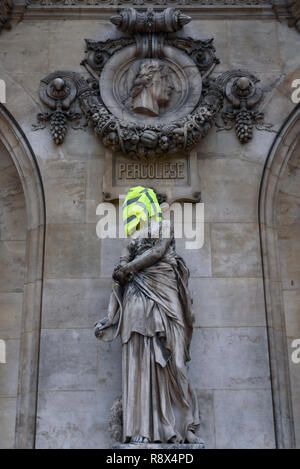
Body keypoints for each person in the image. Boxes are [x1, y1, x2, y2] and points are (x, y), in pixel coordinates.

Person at [94, 186, 201, 444]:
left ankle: (186, 427)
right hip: (135, 303)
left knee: (176, 364)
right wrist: (110, 317)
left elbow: (156, 253)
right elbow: (117, 281)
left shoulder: (164, 226)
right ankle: (139, 430)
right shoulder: (130, 241)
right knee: (138, 362)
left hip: (166, 298)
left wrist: (128, 268)